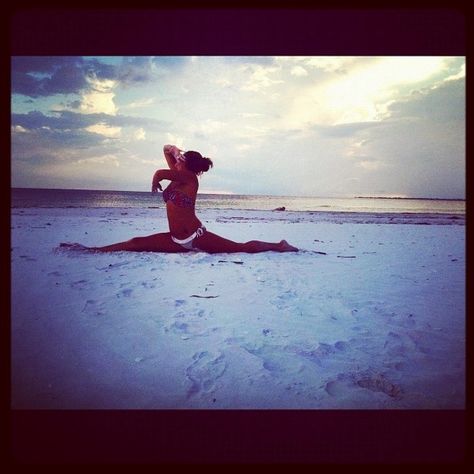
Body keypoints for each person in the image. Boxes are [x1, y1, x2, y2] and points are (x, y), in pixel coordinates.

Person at [61, 145, 298, 253]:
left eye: (181, 159)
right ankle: (92, 250)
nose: (177, 161)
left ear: (186, 165)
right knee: (135, 242)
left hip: (196, 237)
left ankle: (279, 245)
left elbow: (159, 173)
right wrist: (175, 152)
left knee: (241, 248)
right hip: (176, 239)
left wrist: (155, 181)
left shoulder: (189, 179)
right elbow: (166, 149)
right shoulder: (179, 177)